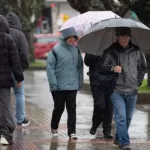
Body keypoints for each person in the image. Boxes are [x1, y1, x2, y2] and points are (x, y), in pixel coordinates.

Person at [101, 27, 147, 150]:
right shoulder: (110, 51)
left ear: (130, 37)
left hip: (133, 90)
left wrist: (139, 80)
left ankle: (118, 137)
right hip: (116, 89)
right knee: (120, 117)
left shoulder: (137, 50)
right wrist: (113, 69)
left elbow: (143, 67)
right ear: (118, 37)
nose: (125, 39)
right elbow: (103, 67)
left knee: (128, 118)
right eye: (122, 36)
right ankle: (125, 142)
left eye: (127, 36)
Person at [46, 27, 83, 139]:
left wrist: (79, 82)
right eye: (70, 37)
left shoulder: (76, 50)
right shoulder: (55, 50)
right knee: (59, 108)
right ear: (64, 37)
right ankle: (54, 126)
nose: (72, 40)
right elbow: (50, 68)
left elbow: (80, 67)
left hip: (72, 85)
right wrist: (53, 84)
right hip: (58, 86)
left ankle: (72, 132)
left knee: (72, 108)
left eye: (74, 37)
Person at [0, 15, 24, 145]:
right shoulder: (8, 39)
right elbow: (15, 61)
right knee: (4, 106)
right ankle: (5, 133)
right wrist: (19, 77)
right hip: (4, 81)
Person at [6, 12, 30, 126]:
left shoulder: (2, 33)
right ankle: (20, 119)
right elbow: (24, 54)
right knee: (19, 94)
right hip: (17, 70)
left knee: (4, 95)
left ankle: (5, 119)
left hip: (4, 70)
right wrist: (22, 69)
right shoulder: (20, 35)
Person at [84, 54, 113, 138]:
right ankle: (95, 124)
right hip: (96, 81)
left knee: (109, 106)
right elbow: (87, 62)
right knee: (99, 105)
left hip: (110, 81)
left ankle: (107, 130)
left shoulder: (113, 48)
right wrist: (95, 55)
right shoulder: (93, 48)